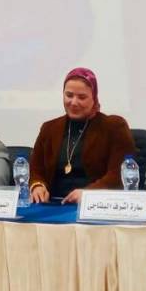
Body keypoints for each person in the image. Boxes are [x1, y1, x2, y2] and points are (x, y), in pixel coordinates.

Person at [29, 67, 135, 204]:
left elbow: (118, 175)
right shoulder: (49, 128)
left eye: (82, 97)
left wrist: (89, 193)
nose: (73, 102)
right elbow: (36, 169)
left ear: (94, 98)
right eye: (69, 95)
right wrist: (37, 185)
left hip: (94, 205)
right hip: (53, 204)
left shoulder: (114, 127)